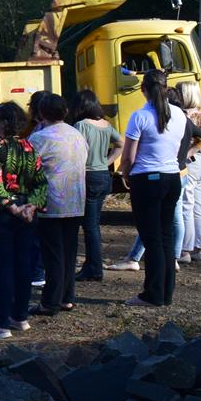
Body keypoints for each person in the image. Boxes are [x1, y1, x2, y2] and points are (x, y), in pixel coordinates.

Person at [0, 103, 47, 340]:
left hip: (2, 214)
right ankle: (20, 317)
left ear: (5, 122)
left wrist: (12, 207)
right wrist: (31, 206)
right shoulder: (30, 146)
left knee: (4, 268)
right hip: (27, 213)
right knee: (23, 265)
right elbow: (41, 182)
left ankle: (0, 323)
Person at [121, 70, 187, 307]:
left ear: (143, 90)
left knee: (152, 238)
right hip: (172, 178)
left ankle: (152, 294)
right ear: (166, 88)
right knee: (166, 236)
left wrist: (125, 174)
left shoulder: (139, 116)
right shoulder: (179, 114)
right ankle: (166, 293)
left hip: (147, 179)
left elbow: (128, 156)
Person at [27, 92, 88, 317]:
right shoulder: (77, 134)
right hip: (76, 200)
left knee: (52, 254)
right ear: (65, 111)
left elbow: (27, 170)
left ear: (41, 113)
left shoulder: (39, 138)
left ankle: (50, 302)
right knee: (69, 252)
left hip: (51, 202)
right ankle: (67, 298)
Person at [71, 90, 121, 282]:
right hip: (103, 176)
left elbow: (75, 151)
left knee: (89, 226)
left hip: (88, 175)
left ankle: (94, 267)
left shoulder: (81, 125)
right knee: (94, 223)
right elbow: (121, 143)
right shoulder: (106, 125)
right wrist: (107, 162)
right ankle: (92, 265)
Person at [177, 81, 201, 263]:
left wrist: (186, 155)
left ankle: (185, 250)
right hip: (200, 163)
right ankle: (199, 247)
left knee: (185, 205)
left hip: (188, 162)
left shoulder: (184, 116)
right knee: (199, 206)